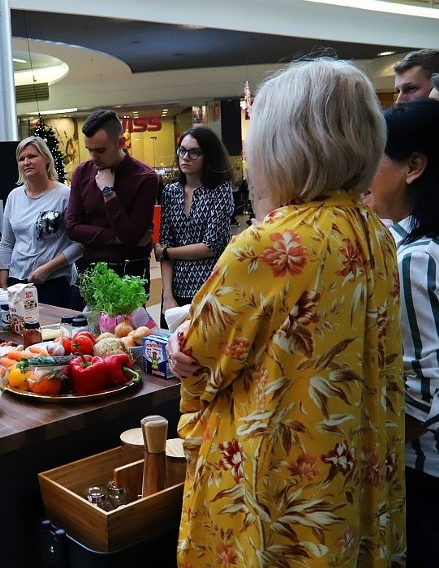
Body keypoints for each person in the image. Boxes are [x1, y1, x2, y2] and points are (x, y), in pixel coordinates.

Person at [166, 58, 406, 566]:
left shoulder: (269, 243)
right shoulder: (374, 231)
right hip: (345, 464)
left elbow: (197, 356)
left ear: (285, 143)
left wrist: (174, 343)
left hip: (277, 485)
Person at [363, 98, 439, 567]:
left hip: (425, 470)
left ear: (413, 166)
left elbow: (423, 391)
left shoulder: (416, 258)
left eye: (375, 161)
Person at [66, 109, 160, 303]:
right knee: (91, 331)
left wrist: (108, 192)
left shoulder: (145, 177)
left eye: (100, 150)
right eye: (89, 149)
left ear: (120, 143)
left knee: (130, 331)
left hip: (130, 271)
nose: (93, 156)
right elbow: (73, 228)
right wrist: (118, 237)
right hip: (93, 271)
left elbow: (131, 235)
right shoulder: (83, 172)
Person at [154, 126, 233, 329]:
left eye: (194, 152)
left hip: (209, 288)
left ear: (209, 156)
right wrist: (167, 296)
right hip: (176, 290)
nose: (186, 157)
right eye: (182, 150)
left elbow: (211, 246)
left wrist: (168, 251)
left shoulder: (220, 190)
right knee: (171, 353)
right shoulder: (170, 192)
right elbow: (163, 249)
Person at [0, 136, 82, 309]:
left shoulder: (65, 195)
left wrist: (47, 269)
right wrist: (3, 280)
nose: (26, 162)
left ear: (46, 158)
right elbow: (6, 243)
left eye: (32, 156)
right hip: (18, 282)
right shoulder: (14, 196)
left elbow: (80, 245)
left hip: (54, 282)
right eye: (21, 159)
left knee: (52, 333)